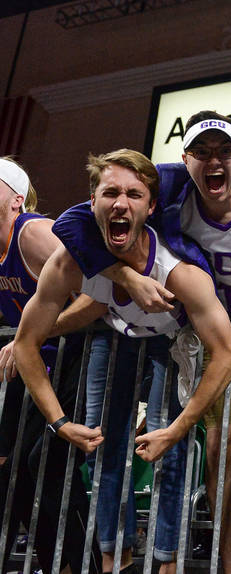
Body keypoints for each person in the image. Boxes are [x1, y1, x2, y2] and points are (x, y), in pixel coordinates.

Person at [52, 118, 231, 573]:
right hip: (204, 335)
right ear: (185, 160)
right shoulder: (164, 185)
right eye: (200, 151)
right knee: (218, 455)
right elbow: (72, 218)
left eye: (224, 151)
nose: (213, 160)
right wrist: (126, 275)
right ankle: (228, 567)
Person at [11, 149, 231, 571]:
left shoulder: (180, 273)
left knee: (168, 449)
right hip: (116, 331)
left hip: (173, 338)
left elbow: (228, 355)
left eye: (134, 195)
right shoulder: (68, 263)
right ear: (92, 204)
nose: (121, 203)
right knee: (102, 447)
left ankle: (165, 561)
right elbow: (27, 344)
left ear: (151, 207)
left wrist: (178, 427)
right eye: (110, 193)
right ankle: (114, 559)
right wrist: (60, 422)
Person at [0, 158, 100, 573]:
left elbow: (99, 294)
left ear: (15, 199)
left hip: (81, 356)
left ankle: (86, 564)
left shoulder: (35, 233)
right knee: (8, 474)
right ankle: (55, 562)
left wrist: (36, 333)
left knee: (46, 466)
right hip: (37, 369)